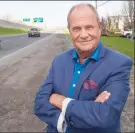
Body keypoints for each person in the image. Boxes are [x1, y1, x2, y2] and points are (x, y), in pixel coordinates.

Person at [34, 3, 133, 133]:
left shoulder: (119, 64)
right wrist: (64, 121)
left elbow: (105, 115)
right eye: (76, 29)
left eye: (89, 27)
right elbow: (40, 103)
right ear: (69, 31)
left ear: (99, 28)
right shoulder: (59, 61)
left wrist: (61, 101)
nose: (84, 34)